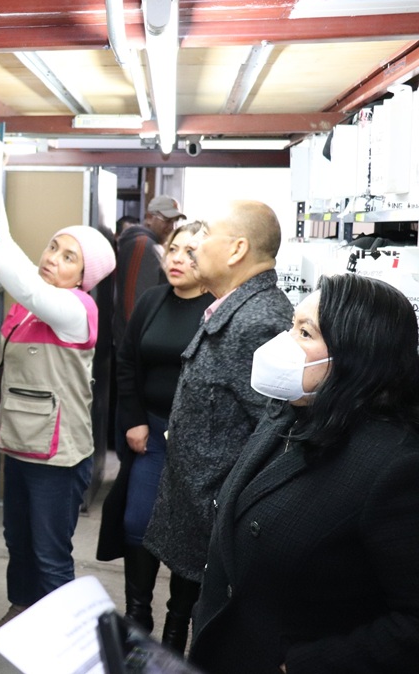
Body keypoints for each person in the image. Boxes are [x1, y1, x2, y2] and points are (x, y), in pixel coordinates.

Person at [190, 274, 419, 673]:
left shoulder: (394, 466)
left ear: (355, 356)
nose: (284, 343)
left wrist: (305, 664)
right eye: (290, 326)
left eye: (305, 333)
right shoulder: (289, 411)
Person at [0, 190, 116, 641]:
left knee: (50, 555)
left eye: (68, 257)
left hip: (58, 457)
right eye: (53, 247)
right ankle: (20, 612)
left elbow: (24, 282)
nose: (53, 258)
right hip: (20, 444)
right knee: (17, 543)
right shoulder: (29, 309)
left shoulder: (76, 310)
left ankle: (61, 648)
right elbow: (22, 263)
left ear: (85, 276)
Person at [142, 200, 293, 653]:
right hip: (207, 510)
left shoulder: (259, 320)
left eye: (207, 237)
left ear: (236, 250)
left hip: (224, 523)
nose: (194, 248)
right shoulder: (234, 308)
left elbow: (274, 439)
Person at [96, 222, 214, 636]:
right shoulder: (152, 301)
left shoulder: (219, 308)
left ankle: (178, 621)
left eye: (192, 252)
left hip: (198, 443)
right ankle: (137, 613)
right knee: (136, 522)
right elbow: (127, 362)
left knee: (189, 533)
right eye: (175, 249)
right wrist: (135, 420)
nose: (179, 258)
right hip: (150, 434)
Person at [114, 195, 186, 347]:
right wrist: (138, 346)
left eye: (174, 221)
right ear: (148, 218)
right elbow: (133, 302)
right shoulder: (143, 245)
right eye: (166, 220)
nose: (171, 227)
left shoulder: (151, 244)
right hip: (138, 344)